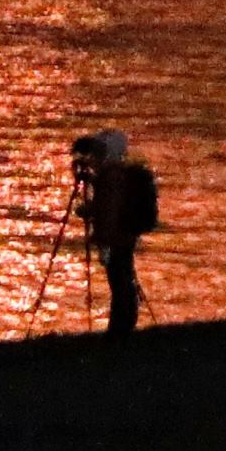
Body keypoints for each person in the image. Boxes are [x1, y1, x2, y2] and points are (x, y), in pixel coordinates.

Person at [76, 128, 159, 336]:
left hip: (117, 237)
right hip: (124, 235)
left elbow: (108, 207)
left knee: (120, 281)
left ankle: (121, 326)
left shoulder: (111, 178)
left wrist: (100, 230)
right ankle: (123, 323)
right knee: (123, 277)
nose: (94, 156)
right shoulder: (114, 175)